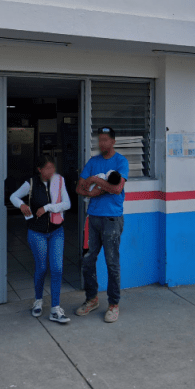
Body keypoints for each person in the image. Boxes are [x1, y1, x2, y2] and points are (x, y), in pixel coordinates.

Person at [75, 127, 128, 323]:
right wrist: (91, 192)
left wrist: (95, 180)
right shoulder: (93, 161)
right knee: (88, 260)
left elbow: (118, 188)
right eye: (100, 140)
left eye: (105, 140)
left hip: (112, 219)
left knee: (112, 263)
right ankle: (92, 299)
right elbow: (79, 188)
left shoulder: (121, 161)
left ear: (113, 141)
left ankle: (113, 304)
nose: (102, 143)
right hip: (93, 218)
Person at [10, 156, 71, 323]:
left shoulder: (59, 181)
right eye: (48, 168)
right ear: (39, 169)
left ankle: (55, 309)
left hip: (56, 231)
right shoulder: (31, 183)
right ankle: (38, 300)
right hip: (37, 232)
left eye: (53, 168)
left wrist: (48, 207)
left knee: (57, 268)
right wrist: (21, 205)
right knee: (42, 267)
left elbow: (67, 204)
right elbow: (13, 197)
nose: (51, 171)